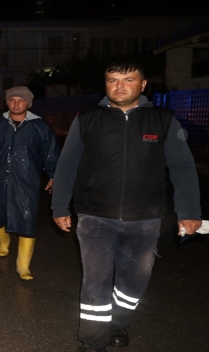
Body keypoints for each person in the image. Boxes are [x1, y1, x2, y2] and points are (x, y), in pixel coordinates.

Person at [51, 61, 202, 352]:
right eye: (112, 80)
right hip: (95, 215)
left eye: (128, 80)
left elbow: (182, 167)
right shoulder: (87, 119)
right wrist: (60, 206)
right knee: (95, 281)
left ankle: (119, 323)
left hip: (145, 219)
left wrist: (190, 211)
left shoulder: (163, 120)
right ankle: (93, 341)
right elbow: (67, 164)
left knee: (134, 280)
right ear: (105, 84)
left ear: (143, 85)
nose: (119, 86)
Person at [0, 86, 59, 280]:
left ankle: (23, 266)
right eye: (12, 100)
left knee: (27, 219)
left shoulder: (40, 127)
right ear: (7, 102)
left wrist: (53, 176)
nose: (16, 104)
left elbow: (51, 155)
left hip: (27, 181)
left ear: (28, 103)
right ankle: (3, 241)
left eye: (21, 100)